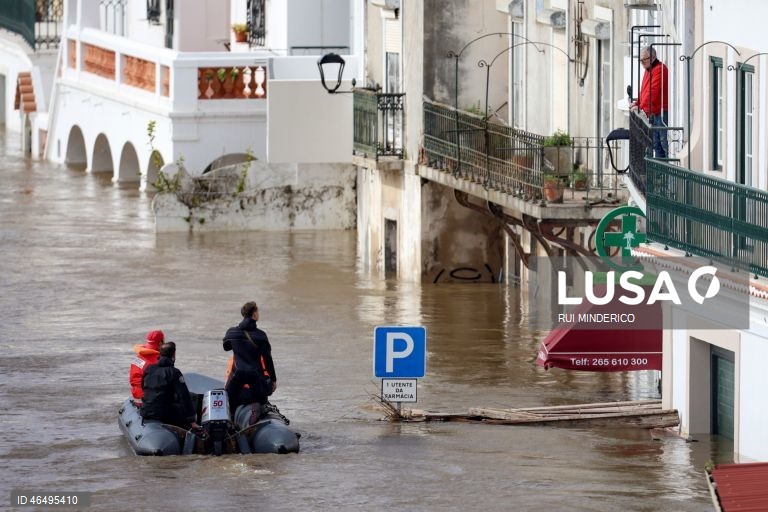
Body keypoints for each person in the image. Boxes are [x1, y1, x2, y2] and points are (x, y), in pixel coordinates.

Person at [223, 301, 277, 410]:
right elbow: (267, 360)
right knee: (263, 397)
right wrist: (273, 379)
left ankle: (233, 417)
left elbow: (226, 347)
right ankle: (256, 407)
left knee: (229, 398)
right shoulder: (261, 335)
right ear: (254, 314)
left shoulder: (231, 332)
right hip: (255, 374)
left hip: (237, 374)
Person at [141, 342, 200, 429]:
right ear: (174, 355)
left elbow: (143, 387)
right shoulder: (174, 372)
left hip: (147, 411)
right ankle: (192, 426)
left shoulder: (149, 369)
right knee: (193, 397)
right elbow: (184, 396)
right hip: (164, 414)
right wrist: (191, 420)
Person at [631, 45, 669, 158]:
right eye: (640, 60)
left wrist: (640, 107)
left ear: (653, 57)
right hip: (654, 112)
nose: (642, 62)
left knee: (663, 143)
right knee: (656, 144)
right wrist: (638, 103)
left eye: (644, 59)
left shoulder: (660, 69)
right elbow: (644, 90)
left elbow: (652, 92)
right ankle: (660, 173)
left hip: (661, 112)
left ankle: (664, 173)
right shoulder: (649, 69)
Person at [129, 330, 164, 402]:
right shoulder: (158, 360)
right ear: (160, 343)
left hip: (136, 396)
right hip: (148, 399)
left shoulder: (138, 357)